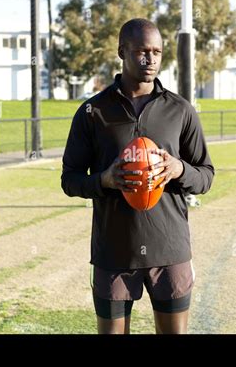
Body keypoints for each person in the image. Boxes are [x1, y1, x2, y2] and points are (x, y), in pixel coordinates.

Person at [61, 18, 214, 334]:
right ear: (122, 51)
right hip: (114, 252)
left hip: (170, 250)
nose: (151, 59)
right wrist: (104, 180)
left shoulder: (180, 110)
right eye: (142, 51)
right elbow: (70, 179)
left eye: (157, 51)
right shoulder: (93, 111)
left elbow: (206, 175)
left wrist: (179, 169)